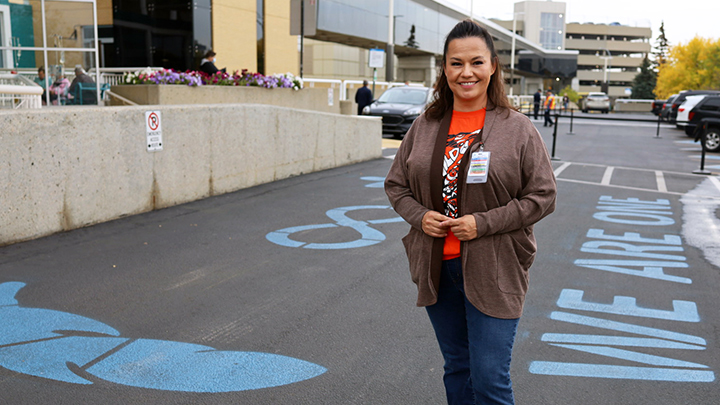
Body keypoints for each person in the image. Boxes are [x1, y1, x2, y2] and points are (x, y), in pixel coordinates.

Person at [384, 19, 557, 405]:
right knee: (458, 369)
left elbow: (543, 195)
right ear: (444, 69)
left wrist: (483, 223)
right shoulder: (425, 125)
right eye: (456, 63)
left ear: (493, 66)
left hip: (494, 267)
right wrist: (419, 216)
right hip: (437, 267)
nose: (466, 73)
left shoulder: (518, 128)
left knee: (490, 379)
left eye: (476, 62)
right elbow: (396, 185)